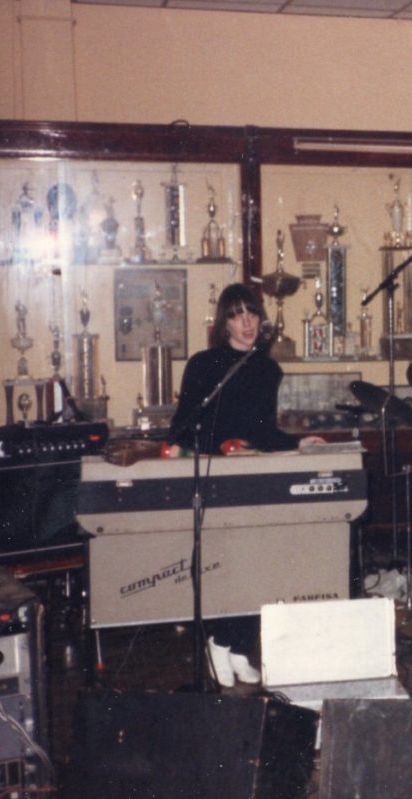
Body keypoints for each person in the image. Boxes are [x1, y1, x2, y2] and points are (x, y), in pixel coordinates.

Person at [169, 282, 322, 688]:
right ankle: (218, 642)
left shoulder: (268, 369)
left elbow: (263, 430)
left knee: (257, 562)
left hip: (252, 475)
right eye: (237, 315)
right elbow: (182, 429)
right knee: (223, 563)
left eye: (252, 313)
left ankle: (238, 648)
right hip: (216, 474)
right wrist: (219, 446)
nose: (247, 322)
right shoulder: (202, 364)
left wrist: (295, 443)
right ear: (224, 322)